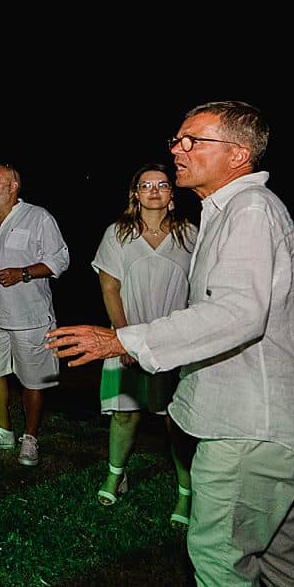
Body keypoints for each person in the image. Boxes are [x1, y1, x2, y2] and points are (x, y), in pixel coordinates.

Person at [46, 101, 294, 587]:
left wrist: (122, 340)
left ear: (237, 155)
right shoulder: (228, 212)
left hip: (252, 426)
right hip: (256, 420)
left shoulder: (249, 211)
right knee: (281, 559)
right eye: (176, 140)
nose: (176, 149)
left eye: (191, 141)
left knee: (220, 558)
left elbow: (238, 313)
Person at [90, 164, 197, 528]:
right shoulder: (118, 234)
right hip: (127, 333)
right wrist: (123, 338)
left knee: (177, 419)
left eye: (162, 185)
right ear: (135, 194)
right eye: (145, 185)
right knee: (125, 412)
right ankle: (115, 475)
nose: (153, 190)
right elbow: (109, 288)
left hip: (175, 339)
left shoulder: (189, 235)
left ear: (172, 195)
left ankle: (186, 492)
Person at [0, 163, 69, 467]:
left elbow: (60, 260)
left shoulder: (38, 217)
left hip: (29, 316)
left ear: (14, 186)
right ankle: (4, 430)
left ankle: (30, 437)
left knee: (32, 379)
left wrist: (24, 273)